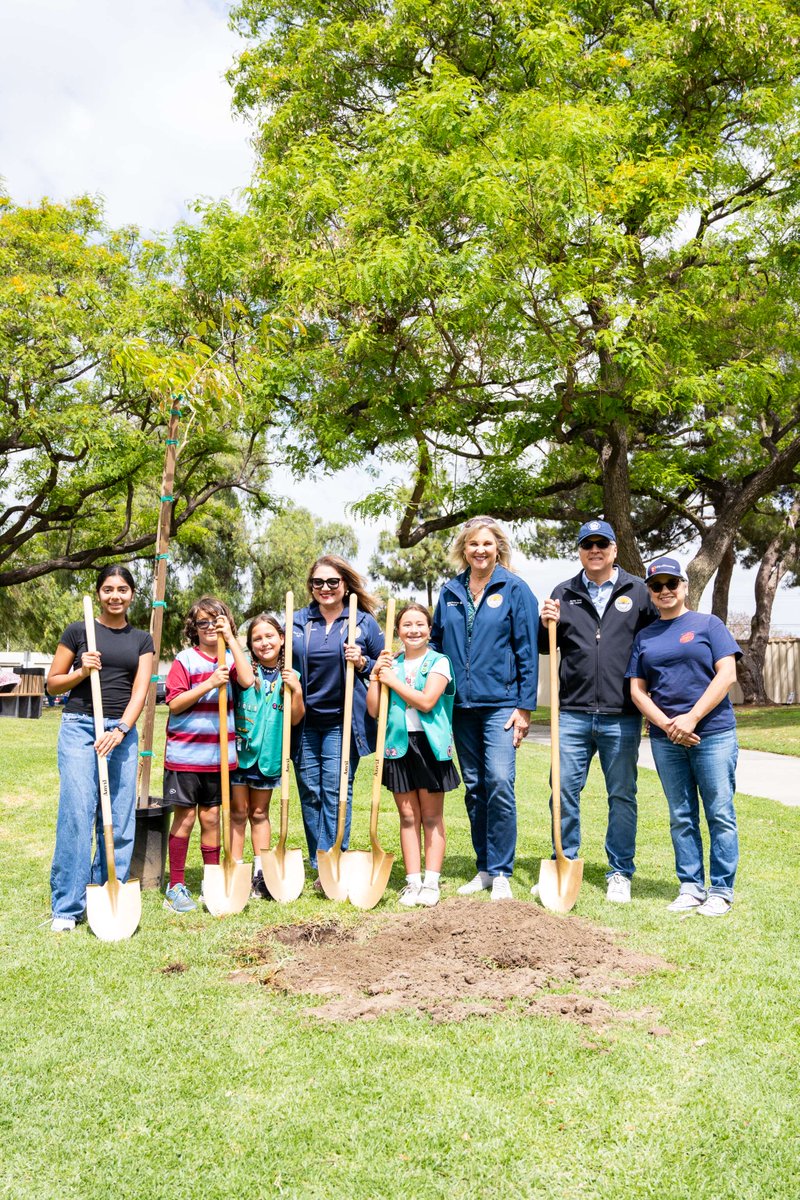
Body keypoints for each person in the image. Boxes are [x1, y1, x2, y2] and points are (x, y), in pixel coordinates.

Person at [536, 520, 657, 903]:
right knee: (563, 791)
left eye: (601, 543)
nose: (595, 550)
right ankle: (563, 860)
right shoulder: (564, 592)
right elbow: (546, 646)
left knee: (621, 794)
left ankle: (620, 872)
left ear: (614, 549)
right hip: (571, 711)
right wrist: (545, 623)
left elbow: (656, 643)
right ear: (580, 550)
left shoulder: (638, 591)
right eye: (587, 544)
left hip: (621, 713)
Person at [431, 517, 539, 900]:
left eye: (487, 545)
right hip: (459, 706)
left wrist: (525, 706)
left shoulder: (515, 589)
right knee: (475, 787)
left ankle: (503, 870)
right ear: (464, 548)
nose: (480, 550)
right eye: (473, 544)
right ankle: (485, 868)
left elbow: (527, 650)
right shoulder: (449, 592)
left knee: (499, 782)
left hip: (501, 705)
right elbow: (435, 645)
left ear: (498, 549)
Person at [627, 557, 741, 916]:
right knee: (681, 814)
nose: (665, 591)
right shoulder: (645, 636)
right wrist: (668, 726)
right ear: (650, 591)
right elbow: (637, 690)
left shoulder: (709, 624)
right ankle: (690, 887)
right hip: (666, 739)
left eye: (671, 584)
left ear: (685, 586)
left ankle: (720, 890)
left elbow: (727, 675)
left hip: (713, 734)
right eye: (657, 586)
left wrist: (691, 719)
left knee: (719, 811)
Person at [47, 565, 154, 932]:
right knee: (77, 812)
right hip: (80, 727)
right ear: (99, 593)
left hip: (121, 732)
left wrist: (123, 729)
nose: (115, 596)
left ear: (131, 595)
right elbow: (52, 685)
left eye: (122, 589)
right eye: (108, 589)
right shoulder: (79, 632)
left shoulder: (142, 640)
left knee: (119, 818)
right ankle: (67, 907)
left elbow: (141, 689)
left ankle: (110, 887)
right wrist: (80, 670)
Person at [292, 556, 384, 883]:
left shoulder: (362, 622)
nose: (326, 588)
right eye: (318, 583)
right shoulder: (298, 621)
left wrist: (362, 662)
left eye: (333, 582)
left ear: (344, 584)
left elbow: (383, 667)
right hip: (303, 721)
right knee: (309, 791)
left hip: (342, 722)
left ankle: (331, 861)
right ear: (311, 587)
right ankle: (321, 858)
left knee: (334, 788)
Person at [162, 597, 254, 913]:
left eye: (217, 621)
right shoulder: (185, 660)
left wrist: (231, 639)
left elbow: (248, 679)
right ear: (194, 628)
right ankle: (175, 885)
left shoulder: (230, 658)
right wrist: (209, 684)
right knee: (185, 818)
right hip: (186, 756)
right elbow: (174, 703)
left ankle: (210, 881)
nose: (210, 628)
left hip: (219, 757)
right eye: (203, 623)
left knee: (212, 818)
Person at [367, 603, 460, 908]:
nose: (414, 630)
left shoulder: (439, 662)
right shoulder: (390, 663)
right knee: (408, 817)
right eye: (407, 625)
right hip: (398, 744)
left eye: (420, 624)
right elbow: (373, 709)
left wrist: (392, 681)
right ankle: (413, 881)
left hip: (429, 746)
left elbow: (427, 701)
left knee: (431, 816)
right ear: (398, 631)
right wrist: (375, 676)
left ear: (429, 630)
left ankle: (431, 882)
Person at [232, 614, 305, 899]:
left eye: (270, 636)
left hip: (270, 755)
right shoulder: (245, 671)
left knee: (259, 813)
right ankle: (235, 869)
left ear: (282, 638)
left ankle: (260, 874)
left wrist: (295, 690)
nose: (264, 642)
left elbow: (296, 718)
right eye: (257, 638)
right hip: (242, 754)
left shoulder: (291, 674)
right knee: (238, 812)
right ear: (250, 645)